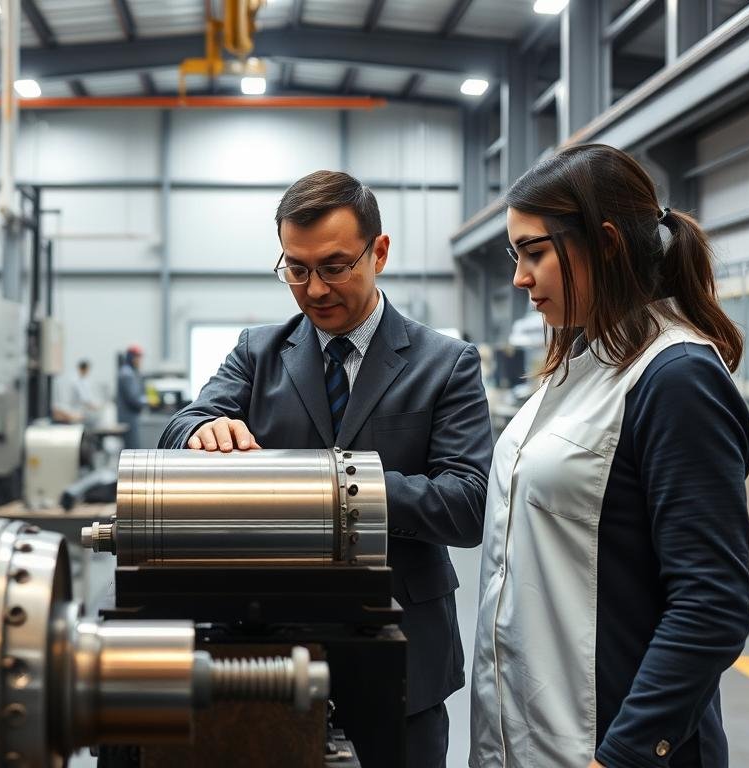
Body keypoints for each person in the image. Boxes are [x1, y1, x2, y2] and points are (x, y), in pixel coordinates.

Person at [159, 170, 492, 767]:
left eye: (335, 267)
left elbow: (467, 504)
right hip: (270, 644)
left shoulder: (446, 364)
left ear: (379, 252)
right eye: (296, 268)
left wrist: (335, 488)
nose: (314, 289)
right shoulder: (258, 352)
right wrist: (201, 429)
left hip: (403, 648)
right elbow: (183, 423)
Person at [469, 144, 749, 767]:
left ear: (604, 243)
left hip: (608, 744)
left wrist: (625, 754)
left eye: (534, 252)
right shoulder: (581, 363)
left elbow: (712, 603)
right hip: (534, 734)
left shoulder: (676, 377)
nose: (520, 277)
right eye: (515, 255)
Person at [116, 345, 146, 449]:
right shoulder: (127, 374)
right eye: (138, 358)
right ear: (131, 358)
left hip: (131, 417)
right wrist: (148, 401)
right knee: (132, 448)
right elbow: (133, 398)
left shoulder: (131, 372)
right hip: (128, 418)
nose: (140, 361)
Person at [64, 358, 101, 427]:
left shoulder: (84, 381)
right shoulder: (76, 382)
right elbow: (85, 399)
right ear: (84, 369)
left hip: (81, 413)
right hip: (77, 414)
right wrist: (96, 407)